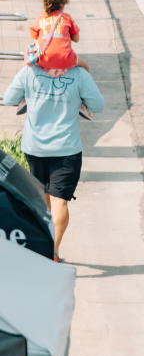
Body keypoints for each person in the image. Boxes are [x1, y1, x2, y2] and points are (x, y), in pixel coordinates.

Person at [3, 46, 105, 259]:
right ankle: (53, 252)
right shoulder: (79, 75)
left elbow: (9, 98)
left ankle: (42, 248)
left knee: (42, 200)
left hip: (34, 148)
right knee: (60, 201)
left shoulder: (29, 72)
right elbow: (98, 105)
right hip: (66, 150)